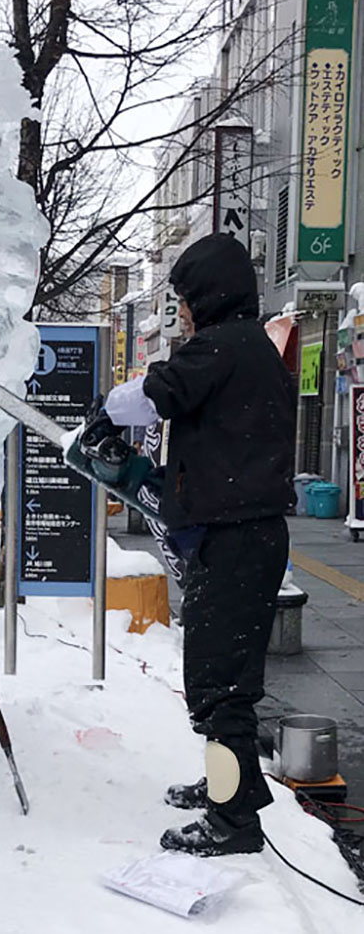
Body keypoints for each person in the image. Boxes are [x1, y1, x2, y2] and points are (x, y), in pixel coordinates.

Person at [103, 233, 296, 857]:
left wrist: (106, 412)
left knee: (220, 684)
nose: (182, 311)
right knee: (223, 674)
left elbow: (156, 393)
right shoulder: (252, 348)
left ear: (211, 295)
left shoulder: (220, 348)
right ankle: (224, 786)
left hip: (235, 541)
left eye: (186, 298)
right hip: (246, 536)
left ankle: (232, 822)